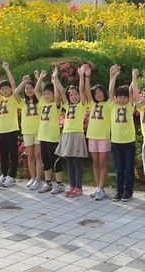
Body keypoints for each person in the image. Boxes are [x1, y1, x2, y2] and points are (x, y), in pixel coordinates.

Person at [54, 65, 89, 197]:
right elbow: (62, 92)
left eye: (76, 95)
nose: (74, 97)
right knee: (69, 163)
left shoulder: (81, 105)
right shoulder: (67, 105)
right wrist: (55, 78)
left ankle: (78, 187)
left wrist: (81, 76)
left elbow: (82, 89)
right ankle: (72, 185)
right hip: (66, 135)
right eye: (72, 95)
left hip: (76, 135)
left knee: (77, 163)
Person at [107, 64, 140, 202]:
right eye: (119, 97)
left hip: (129, 143)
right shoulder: (113, 106)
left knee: (128, 169)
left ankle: (129, 192)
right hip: (116, 142)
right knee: (119, 169)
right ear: (116, 98)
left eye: (124, 97)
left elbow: (134, 93)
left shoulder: (129, 106)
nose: (122, 99)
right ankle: (119, 191)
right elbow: (110, 91)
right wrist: (114, 76)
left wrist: (134, 77)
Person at [35, 69, 65, 194]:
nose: (46, 96)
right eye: (45, 94)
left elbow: (58, 95)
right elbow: (36, 91)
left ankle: (59, 184)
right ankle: (48, 183)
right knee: (46, 161)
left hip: (53, 137)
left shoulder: (56, 105)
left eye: (49, 94)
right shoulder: (43, 103)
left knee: (55, 162)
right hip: (43, 136)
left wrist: (54, 80)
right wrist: (40, 78)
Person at [83, 65, 111, 200]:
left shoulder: (109, 104)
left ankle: (101, 188)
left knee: (102, 163)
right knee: (95, 163)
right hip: (92, 137)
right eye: (96, 93)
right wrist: (87, 76)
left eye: (100, 92)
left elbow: (111, 90)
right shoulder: (92, 104)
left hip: (103, 137)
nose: (98, 95)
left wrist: (113, 76)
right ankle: (97, 187)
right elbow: (86, 91)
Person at [13, 72, 43, 190]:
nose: (29, 90)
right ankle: (32, 177)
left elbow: (44, 91)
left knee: (38, 156)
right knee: (30, 156)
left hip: (39, 131)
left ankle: (38, 179)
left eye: (31, 88)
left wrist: (39, 79)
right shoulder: (23, 103)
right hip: (27, 131)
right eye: (27, 89)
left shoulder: (40, 101)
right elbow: (15, 93)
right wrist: (24, 82)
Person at [0, 62, 20, 188]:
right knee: (3, 154)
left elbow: (14, 85)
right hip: (2, 131)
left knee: (13, 154)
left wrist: (7, 69)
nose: (4, 90)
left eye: (6, 88)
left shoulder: (13, 98)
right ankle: (4, 174)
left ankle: (12, 176)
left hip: (11, 130)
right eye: (2, 89)